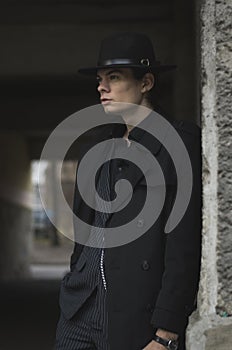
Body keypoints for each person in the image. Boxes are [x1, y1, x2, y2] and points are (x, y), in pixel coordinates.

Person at [55, 32, 201, 350]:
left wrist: (167, 332)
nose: (101, 87)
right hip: (79, 309)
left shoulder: (178, 143)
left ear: (146, 82)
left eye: (115, 77)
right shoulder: (97, 148)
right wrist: (77, 273)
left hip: (132, 311)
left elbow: (184, 243)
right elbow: (84, 230)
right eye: (100, 78)